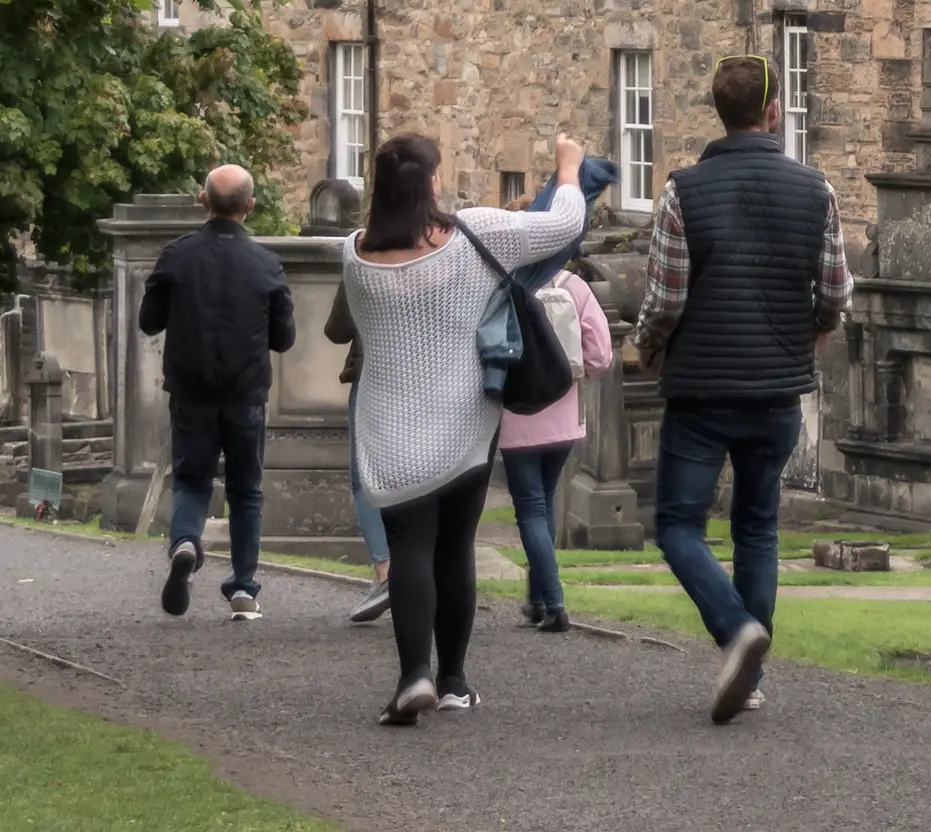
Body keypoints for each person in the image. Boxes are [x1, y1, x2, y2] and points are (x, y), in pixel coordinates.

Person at [626, 54, 847, 725]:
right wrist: (814, 331)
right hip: (778, 388)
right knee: (757, 528)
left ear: (719, 112)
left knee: (676, 525)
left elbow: (665, 299)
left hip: (701, 391)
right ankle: (750, 679)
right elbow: (835, 292)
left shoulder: (681, 191)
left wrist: (647, 348)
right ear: (773, 111)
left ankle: (734, 631)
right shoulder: (818, 191)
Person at [340, 127, 586, 724]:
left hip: (388, 426)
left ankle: (412, 677)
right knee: (455, 549)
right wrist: (568, 167)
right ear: (431, 181)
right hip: (464, 422)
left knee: (409, 549)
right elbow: (564, 225)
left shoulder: (351, 253)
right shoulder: (476, 233)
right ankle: (452, 679)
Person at [138, 163, 293, 621]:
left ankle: (185, 540)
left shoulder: (176, 255)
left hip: (190, 390)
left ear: (203, 201)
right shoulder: (266, 264)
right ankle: (243, 589)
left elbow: (149, 321)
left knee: (191, 479)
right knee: (246, 491)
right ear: (250, 205)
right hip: (245, 392)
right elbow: (284, 339)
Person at [497, 253, 613, 631]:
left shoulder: (503, 288)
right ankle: (537, 599)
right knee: (544, 504)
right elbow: (601, 354)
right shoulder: (574, 287)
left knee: (530, 510)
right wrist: (571, 376)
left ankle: (555, 602)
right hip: (564, 416)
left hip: (518, 416)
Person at [322, 283, 392, 627]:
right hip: (428, 376)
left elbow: (336, 330)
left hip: (373, 376)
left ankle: (385, 571)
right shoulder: (440, 248)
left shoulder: (365, 253)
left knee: (365, 476)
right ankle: (422, 573)